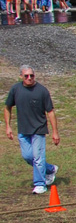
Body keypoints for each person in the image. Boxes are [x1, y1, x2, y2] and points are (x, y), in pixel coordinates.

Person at [4, 65, 59, 194]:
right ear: (21, 77)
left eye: (32, 76)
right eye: (26, 76)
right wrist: (8, 126)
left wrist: (55, 132)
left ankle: (40, 184)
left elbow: (50, 112)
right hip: (23, 130)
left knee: (38, 158)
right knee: (28, 156)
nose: (29, 78)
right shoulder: (15, 90)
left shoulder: (42, 91)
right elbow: (7, 107)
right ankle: (50, 169)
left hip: (39, 129)